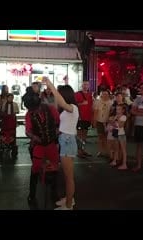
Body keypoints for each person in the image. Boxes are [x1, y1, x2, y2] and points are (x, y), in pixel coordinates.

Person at [43, 76, 79, 210]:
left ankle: (69, 205)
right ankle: (69, 199)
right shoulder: (68, 110)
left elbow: (61, 103)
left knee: (69, 177)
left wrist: (50, 85)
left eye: (60, 94)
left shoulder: (73, 108)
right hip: (65, 139)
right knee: (66, 175)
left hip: (68, 141)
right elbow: (59, 106)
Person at [22, 90, 60, 207]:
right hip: (39, 145)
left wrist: (57, 133)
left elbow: (58, 123)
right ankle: (32, 194)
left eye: (35, 108)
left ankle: (54, 193)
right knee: (35, 169)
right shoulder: (29, 114)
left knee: (54, 168)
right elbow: (27, 131)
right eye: (32, 109)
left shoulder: (51, 109)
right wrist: (34, 137)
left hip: (51, 144)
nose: (34, 111)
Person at [75, 81, 93, 158]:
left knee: (84, 136)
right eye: (84, 85)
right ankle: (79, 152)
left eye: (87, 85)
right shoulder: (77, 94)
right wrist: (82, 104)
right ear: (81, 86)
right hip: (80, 118)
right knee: (79, 135)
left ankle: (83, 150)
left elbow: (91, 107)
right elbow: (74, 104)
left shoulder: (90, 95)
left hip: (87, 118)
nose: (86, 86)